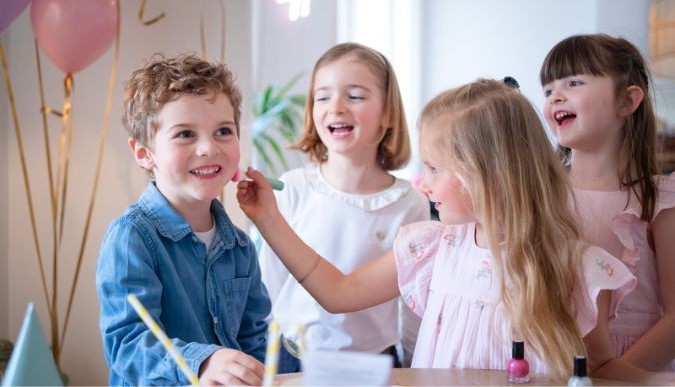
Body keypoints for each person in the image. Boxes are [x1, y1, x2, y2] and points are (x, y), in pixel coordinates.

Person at [238, 78, 675, 384]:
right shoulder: (432, 248)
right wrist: (269, 219)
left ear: (489, 174)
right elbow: (338, 291)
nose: (423, 183)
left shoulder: (575, 267)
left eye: (433, 168)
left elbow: (598, 374)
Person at [96, 53, 297, 386]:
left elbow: (256, 343)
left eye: (223, 131)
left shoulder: (240, 246)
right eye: (185, 134)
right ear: (144, 152)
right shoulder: (130, 238)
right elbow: (127, 346)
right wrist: (201, 364)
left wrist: (318, 367)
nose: (208, 147)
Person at [258, 42, 429, 367]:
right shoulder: (292, 188)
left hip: (374, 365)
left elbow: (414, 306)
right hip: (291, 360)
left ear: (388, 113)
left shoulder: (410, 204)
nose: (335, 107)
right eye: (322, 97)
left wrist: (413, 369)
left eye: (355, 96)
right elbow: (268, 289)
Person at [540, 33, 675, 372]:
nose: (556, 96)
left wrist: (614, 375)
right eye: (548, 89)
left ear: (627, 102)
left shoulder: (660, 199)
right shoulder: (541, 192)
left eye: (573, 82)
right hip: (550, 364)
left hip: (633, 370)